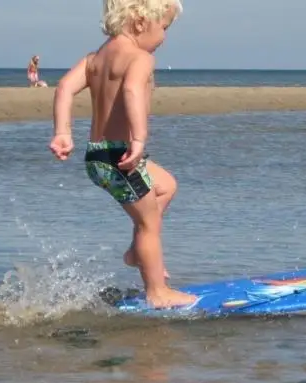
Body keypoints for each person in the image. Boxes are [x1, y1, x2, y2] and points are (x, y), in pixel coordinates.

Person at [48, 0, 197, 309]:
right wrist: (139, 138)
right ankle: (157, 291)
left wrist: (63, 132)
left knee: (166, 185)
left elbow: (63, 87)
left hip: (97, 156)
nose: (165, 38)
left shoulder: (94, 59)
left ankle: (135, 252)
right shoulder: (140, 58)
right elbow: (131, 91)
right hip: (121, 157)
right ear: (141, 21)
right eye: (165, 28)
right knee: (149, 224)